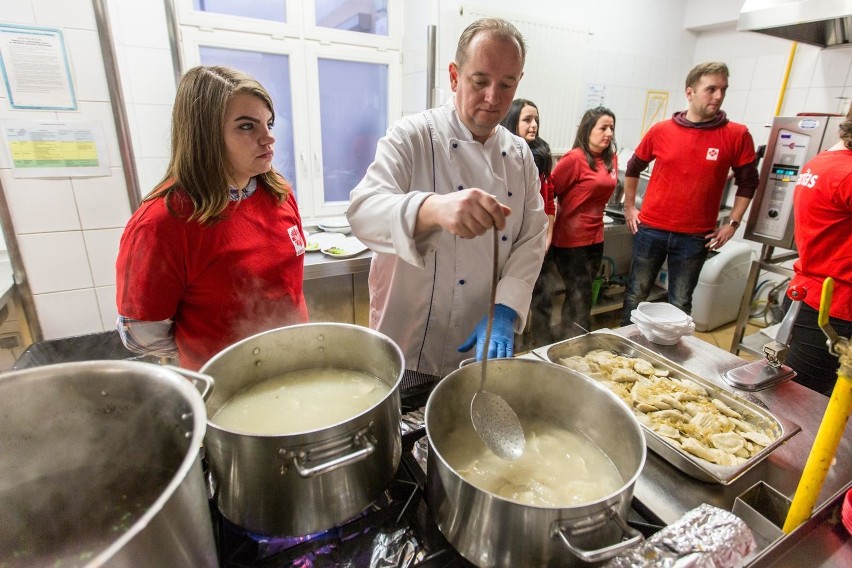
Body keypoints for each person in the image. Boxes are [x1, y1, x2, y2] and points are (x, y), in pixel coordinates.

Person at [346, 18, 547, 382]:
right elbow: (362, 212)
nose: (493, 98)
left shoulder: (520, 155)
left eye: (507, 84)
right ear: (455, 76)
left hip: (482, 344)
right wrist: (431, 208)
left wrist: (505, 308)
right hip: (409, 346)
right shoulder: (413, 135)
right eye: (480, 81)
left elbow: (532, 239)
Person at [115, 65, 309, 370]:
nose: (268, 138)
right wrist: (210, 354)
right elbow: (142, 332)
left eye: (268, 124)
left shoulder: (278, 193)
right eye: (247, 126)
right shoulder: (162, 224)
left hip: (296, 364)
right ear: (204, 135)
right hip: (226, 388)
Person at [620, 61, 759, 325]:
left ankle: (668, 356)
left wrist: (732, 223)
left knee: (680, 302)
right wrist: (629, 206)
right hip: (651, 229)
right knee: (636, 295)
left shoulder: (736, 135)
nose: (718, 96)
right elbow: (633, 167)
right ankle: (624, 350)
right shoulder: (661, 131)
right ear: (690, 92)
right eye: (711, 89)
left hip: (695, 237)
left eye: (723, 89)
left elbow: (749, 183)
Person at [783, 106, 852, 396]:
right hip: (835, 310)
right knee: (806, 406)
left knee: (796, 398)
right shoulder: (847, 173)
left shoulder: (823, 162)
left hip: (811, 298)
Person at [550, 106, 618, 336]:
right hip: (570, 240)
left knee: (584, 292)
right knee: (579, 294)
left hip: (595, 237)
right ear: (588, 130)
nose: (609, 133)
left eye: (611, 128)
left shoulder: (611, 159)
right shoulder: (574, 159)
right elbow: (549, 191)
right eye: (603, 128)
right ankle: (574, 342)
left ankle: (572, 339)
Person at [500, 98, 558, 347]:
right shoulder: (505, 156)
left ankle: (540, 348)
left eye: (536, 120)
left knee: (542, 300)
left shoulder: (541, 155)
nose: (533, 125)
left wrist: (547, 236)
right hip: (514, 244)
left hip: (540, 243)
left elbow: (549, 201)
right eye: (527, 120)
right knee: (511, 301)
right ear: (513, 121)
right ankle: (514, 344)